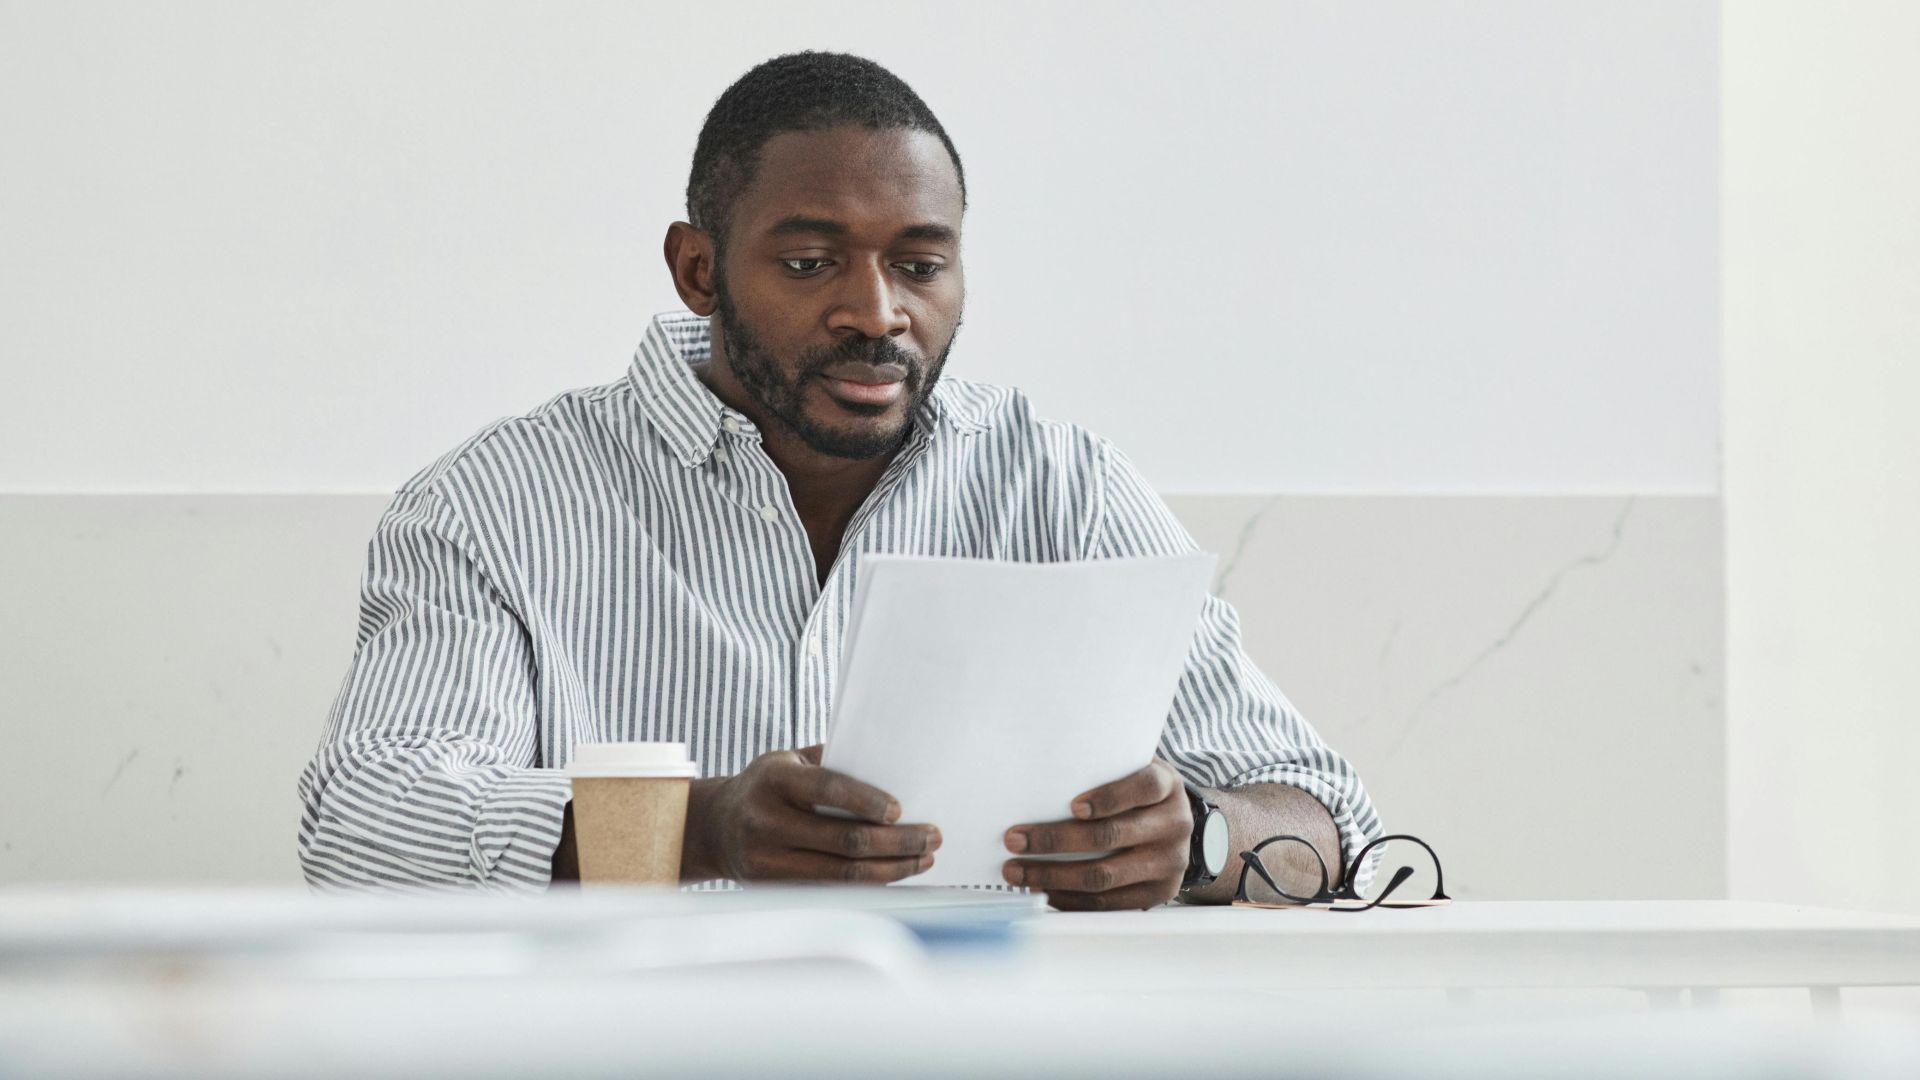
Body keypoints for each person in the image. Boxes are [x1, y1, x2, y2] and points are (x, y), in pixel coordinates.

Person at [296, 51, 1380, 910]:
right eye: (810, 262)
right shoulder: (493, 506)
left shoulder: (1064, 487)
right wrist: (698, 828)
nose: (877, 312)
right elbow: (364, 822)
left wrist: (1205, 835)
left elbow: (1333, 814)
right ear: (698, 269)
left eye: (921, 264)